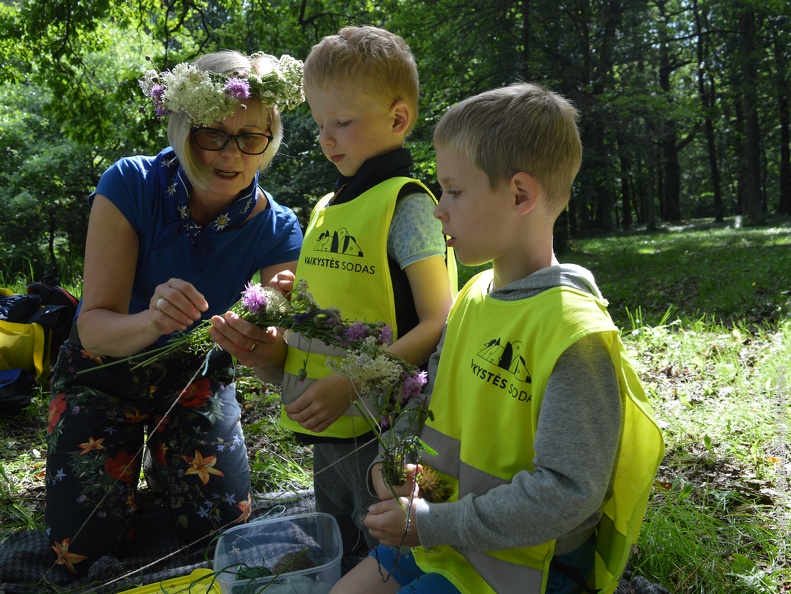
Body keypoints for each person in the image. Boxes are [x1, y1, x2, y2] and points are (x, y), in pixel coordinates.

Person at [332, 83, 665, 594]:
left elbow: (567, 493)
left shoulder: (575, 335)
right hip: (441, 539)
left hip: (520, 570)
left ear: (519, 195)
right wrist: (389, 465)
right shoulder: (472, 296)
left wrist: (429, 523)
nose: (439, 209)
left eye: (454, 191)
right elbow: (423, 401)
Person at [44, 49, 305, 578]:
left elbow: (275, 359)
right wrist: (153, 321)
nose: (229, 155)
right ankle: (144, 471)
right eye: (212, 134)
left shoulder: (279, 228)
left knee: (219, 528)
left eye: (251, 138)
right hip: (103, 373)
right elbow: (92, 325)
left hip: (194, 379)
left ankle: (170, 466)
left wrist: (264, 337)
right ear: (184, 130)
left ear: (269, 142)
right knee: (83, 550)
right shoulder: (130, 185)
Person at [213, 25, 456, 558]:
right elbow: (344, 289)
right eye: (321, 123)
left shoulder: (408, 206)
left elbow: (440, 319)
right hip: (331, 425)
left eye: (342, 123)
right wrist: (291, 295)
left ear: (397, 118)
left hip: (387, 424)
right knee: (340, 541)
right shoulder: (327, 205)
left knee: (386, 551)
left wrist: (350, 384)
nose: (326, 138)